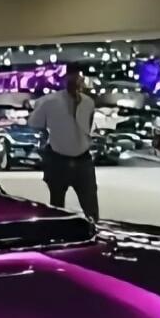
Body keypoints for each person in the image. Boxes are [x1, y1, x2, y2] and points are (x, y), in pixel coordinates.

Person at [27, 67, 98, 220]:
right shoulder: (49, 102)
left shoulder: (88, 103)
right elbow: (35, 123)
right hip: (58, 159)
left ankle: (94, 230)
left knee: (90, 206)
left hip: (82, 159)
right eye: (72, 78)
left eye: (78, 78)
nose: (76, 82)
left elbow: (88, 126)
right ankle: (59, 236)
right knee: (57, 207)